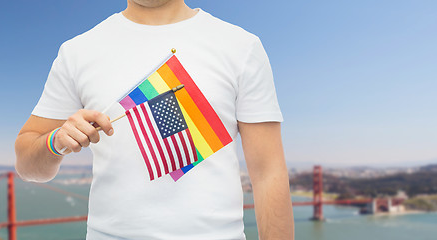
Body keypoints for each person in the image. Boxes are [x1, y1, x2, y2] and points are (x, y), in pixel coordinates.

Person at [15, 0, 294, 239]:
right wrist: (55, 142)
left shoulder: (241, 47)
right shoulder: (77, 52)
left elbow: (268, 174)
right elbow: (27, 165)